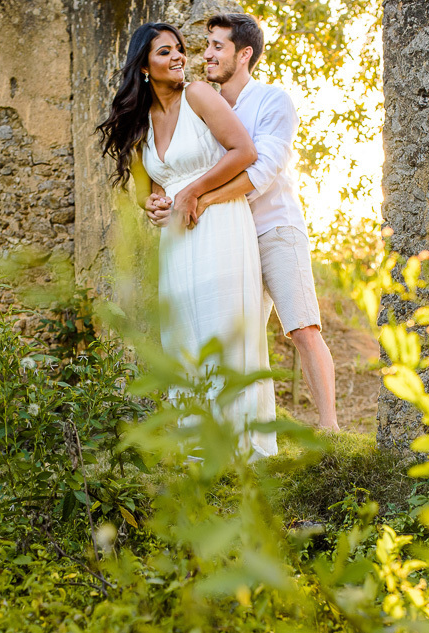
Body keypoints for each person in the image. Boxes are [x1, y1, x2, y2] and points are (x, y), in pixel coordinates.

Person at [145, 13, 339, 432]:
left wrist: (200, 197)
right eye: (208, 45)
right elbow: (184, 165)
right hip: (231, 239)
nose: (206, 54)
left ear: (244, 54)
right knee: (240, 338)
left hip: (273, 229)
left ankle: (329, 427)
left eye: (217, 46)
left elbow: (260, 170)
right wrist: (166, 199)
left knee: (302, 326)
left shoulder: (272, 100)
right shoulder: (204, 105)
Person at [97, 22, 277, 459]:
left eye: (179, 49)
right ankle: (199, 446)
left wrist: (194, 191)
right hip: (176, 240)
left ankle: (240, 445)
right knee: (183, 336)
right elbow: (148, 191)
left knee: (221, 327)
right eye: (165, 52)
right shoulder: (141, 122)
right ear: (143, 67)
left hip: (218, 225)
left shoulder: (197, 95)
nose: (179, 56)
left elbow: (244, 152)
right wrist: (153, 206)